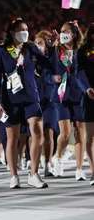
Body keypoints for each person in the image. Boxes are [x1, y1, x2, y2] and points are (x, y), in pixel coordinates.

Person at [0, 18, 56, 189]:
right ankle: (14, 175)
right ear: (12, 32)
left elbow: (48, 64)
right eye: (21, 29)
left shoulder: (30, 48)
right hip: (10, 100)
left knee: (37, 131)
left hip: (31, 97)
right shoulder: (1, 51)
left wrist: (52, 48)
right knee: (12, 138)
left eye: (26, 29)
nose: (25, 32)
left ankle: (34, 174)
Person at [51, 21, 89, 181]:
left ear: (73, 34)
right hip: (61, 95)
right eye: (61, 31)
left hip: (79, 94)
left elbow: (83, 71)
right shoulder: (55, 51)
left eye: (65, 31)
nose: (62, 34)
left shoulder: (81, 51)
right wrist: (52, 77)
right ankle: (57, 158)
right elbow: (46, 70)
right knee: (65, 133)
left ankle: (79, 169)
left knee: (80, 132)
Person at [34, 30, 59, 177]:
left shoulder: (51, 58)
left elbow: (54, 72)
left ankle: (48, 163)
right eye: (36, 43)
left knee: (49, 133)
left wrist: (53, 48)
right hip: (35, 101)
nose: (38, 46)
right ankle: (37, 161)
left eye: (41, 43)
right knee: (36, 134)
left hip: (49, 100)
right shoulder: (31, 58)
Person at [77, 23, 94, 185]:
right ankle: (93, 170)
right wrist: (87, 88)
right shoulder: (83, 52)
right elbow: (79, 73)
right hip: (90, 98)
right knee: (89, 138)